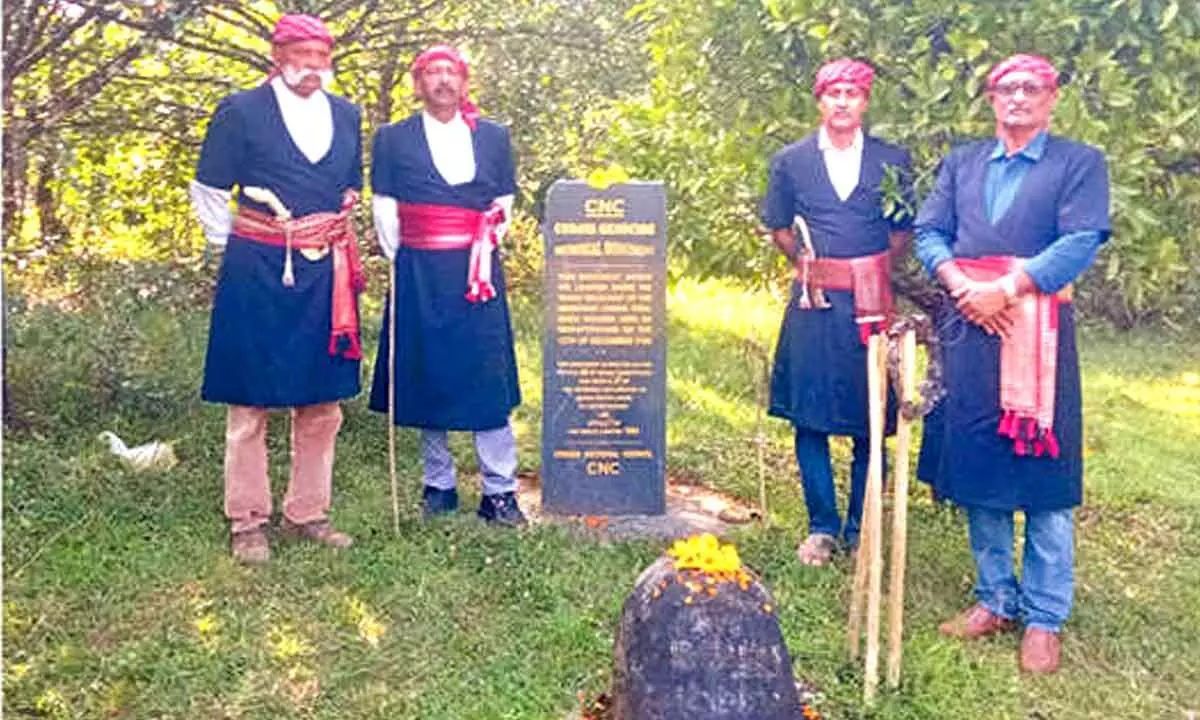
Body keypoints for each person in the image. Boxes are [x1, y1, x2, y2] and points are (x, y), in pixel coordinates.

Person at [913, 54, 1110, 674]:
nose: (1018, 97)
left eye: (1031, 87)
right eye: (1006, 88)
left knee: (1044, 471)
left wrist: (1011, 288)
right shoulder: (962, 163)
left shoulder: (1079, 164)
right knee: (981, 464)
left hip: (1040, 338)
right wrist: (959, 285)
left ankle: (1044, 616)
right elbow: (928, 231)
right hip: (970, 330)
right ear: (991, 99)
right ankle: (995, 597)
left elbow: (1080, 240)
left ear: (1051, 99)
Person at [190, 14, 363, 564]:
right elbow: (209, 187)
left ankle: (308, 513)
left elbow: (347, 188)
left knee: (323, 399)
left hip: (324, 270)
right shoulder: (240, 111)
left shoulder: (346, 114)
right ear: (278, 54)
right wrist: (240, 245)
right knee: (250, 400)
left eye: (321, 56)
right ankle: (247, 521)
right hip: (257, 265)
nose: (312, 66)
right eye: (301, 55)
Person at [761, 58, 914, 566]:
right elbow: (780, 227)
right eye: (833, 92)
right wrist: (817, 270)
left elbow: (901, 234)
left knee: (871, 418)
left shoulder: (893, 161)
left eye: (852, 92)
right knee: (811, 416)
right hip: (814, 305)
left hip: (872, 307)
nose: (843, 101)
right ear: (819, 99)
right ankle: (823, 528)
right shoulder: (792, 161)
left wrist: (865, 275)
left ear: (865, 101)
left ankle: (860, 527)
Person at [368, 45, 527, 526]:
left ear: (464, 81)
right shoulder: (393, 139)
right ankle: (439, 486)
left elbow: (502, 202)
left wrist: (480, 250)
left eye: (450, 72)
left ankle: (499, 492)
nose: (442, 81)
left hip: (478, 276)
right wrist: (409, 258)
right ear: (418, 84)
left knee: (486, 375)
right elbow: (385, 207)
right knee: (428, 372)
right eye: (432, 73)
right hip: (419, 271)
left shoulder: (495, 137)